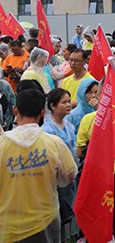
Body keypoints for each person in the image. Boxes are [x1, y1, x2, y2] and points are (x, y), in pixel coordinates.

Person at [0, 88, 78, 242]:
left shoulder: (2, 145)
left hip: (8, 226)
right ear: (42, 112)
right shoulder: (54, 144)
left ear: (15, 110)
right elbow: (69, 176)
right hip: (45, 223)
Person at [42, 88, 78, 242]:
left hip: (70, 176)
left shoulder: (69, 126)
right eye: (64, 102)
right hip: (56, 180)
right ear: (52, 106)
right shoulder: (47, 130)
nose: (69, 105)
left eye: (69, 101)